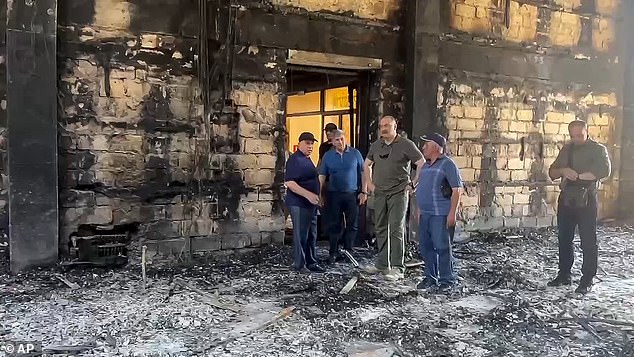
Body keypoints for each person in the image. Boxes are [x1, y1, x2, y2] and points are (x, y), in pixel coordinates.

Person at [547, 120, 611, 294]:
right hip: (567, 198)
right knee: (564, 238)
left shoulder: (598, 150)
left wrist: (579, 176)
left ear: (587, 131)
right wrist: (564, 171)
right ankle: (564, 274)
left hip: (587, 199)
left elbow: (605, 171)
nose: (576, 139)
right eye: (573, 136)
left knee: (588, 241)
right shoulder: (567, 149)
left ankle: (587, 278)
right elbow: (552, 172)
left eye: (580, 135)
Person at [363, 116, 425, 281]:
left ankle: (398, 267)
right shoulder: (377, 145)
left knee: (396, 228)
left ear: (395, 126)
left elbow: (421, 162)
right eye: (381, 126)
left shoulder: (406, 144)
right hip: (380, 193)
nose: (383, 128)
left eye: (387, 125)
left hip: (398, 192)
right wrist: (369, 184)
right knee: (381, 227)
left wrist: (413, 183)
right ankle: (383, 264)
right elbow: (366, 164)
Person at [415, 133, 463, 293]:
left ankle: (447, 280)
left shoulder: (448, 165)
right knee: (426, 247)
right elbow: (422, 188)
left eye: (426, 145)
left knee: (442, 247)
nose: (423, 148)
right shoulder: (426, 166)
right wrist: (419, 209)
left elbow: (457, 190)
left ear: (436, 147)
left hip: (440, 214)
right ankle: (430, 277)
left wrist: (452, 213)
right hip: (426, 214)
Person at [318, 130, 366, 264]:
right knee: (334, 224)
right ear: (332, 142)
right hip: (334, 194)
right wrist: (320, 194)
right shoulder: (328, 156)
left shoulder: (355, 154)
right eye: (337, 140)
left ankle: (348, 251)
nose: (340, 142)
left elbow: (364, 172)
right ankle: (333, 252)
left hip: (352, 194)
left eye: (342, 139)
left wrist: (364, 191)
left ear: (346, 138)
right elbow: (322, 176)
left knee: (352, 224)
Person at [284, 132, 326, 273]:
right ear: (299, 143)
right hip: (299, 203)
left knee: (311, 235)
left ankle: (311, 262)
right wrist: (308, 195)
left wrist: (316, 197)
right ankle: (300, 265)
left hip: (310, 205)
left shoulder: (307, 159)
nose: (310, 146)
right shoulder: (295, 160)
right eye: (307, 143)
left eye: (312, 144)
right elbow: (290, 182)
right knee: (301, 235)